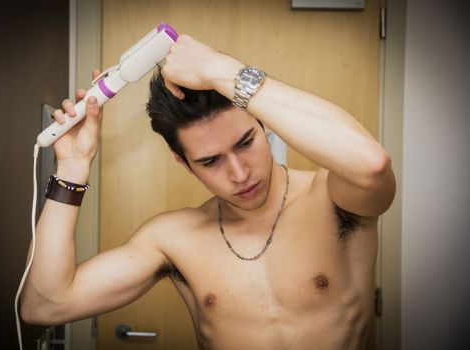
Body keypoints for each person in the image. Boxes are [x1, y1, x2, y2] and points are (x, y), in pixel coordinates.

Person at [21, 34, 396, 350]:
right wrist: (72, 167)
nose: (239, 173)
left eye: (246, 142)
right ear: (183, 162)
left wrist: (219, 69)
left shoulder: (333, 199)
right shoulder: (173, 238)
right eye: (211, 162)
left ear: (264, 124)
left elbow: (372, 163)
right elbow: (44, 306)